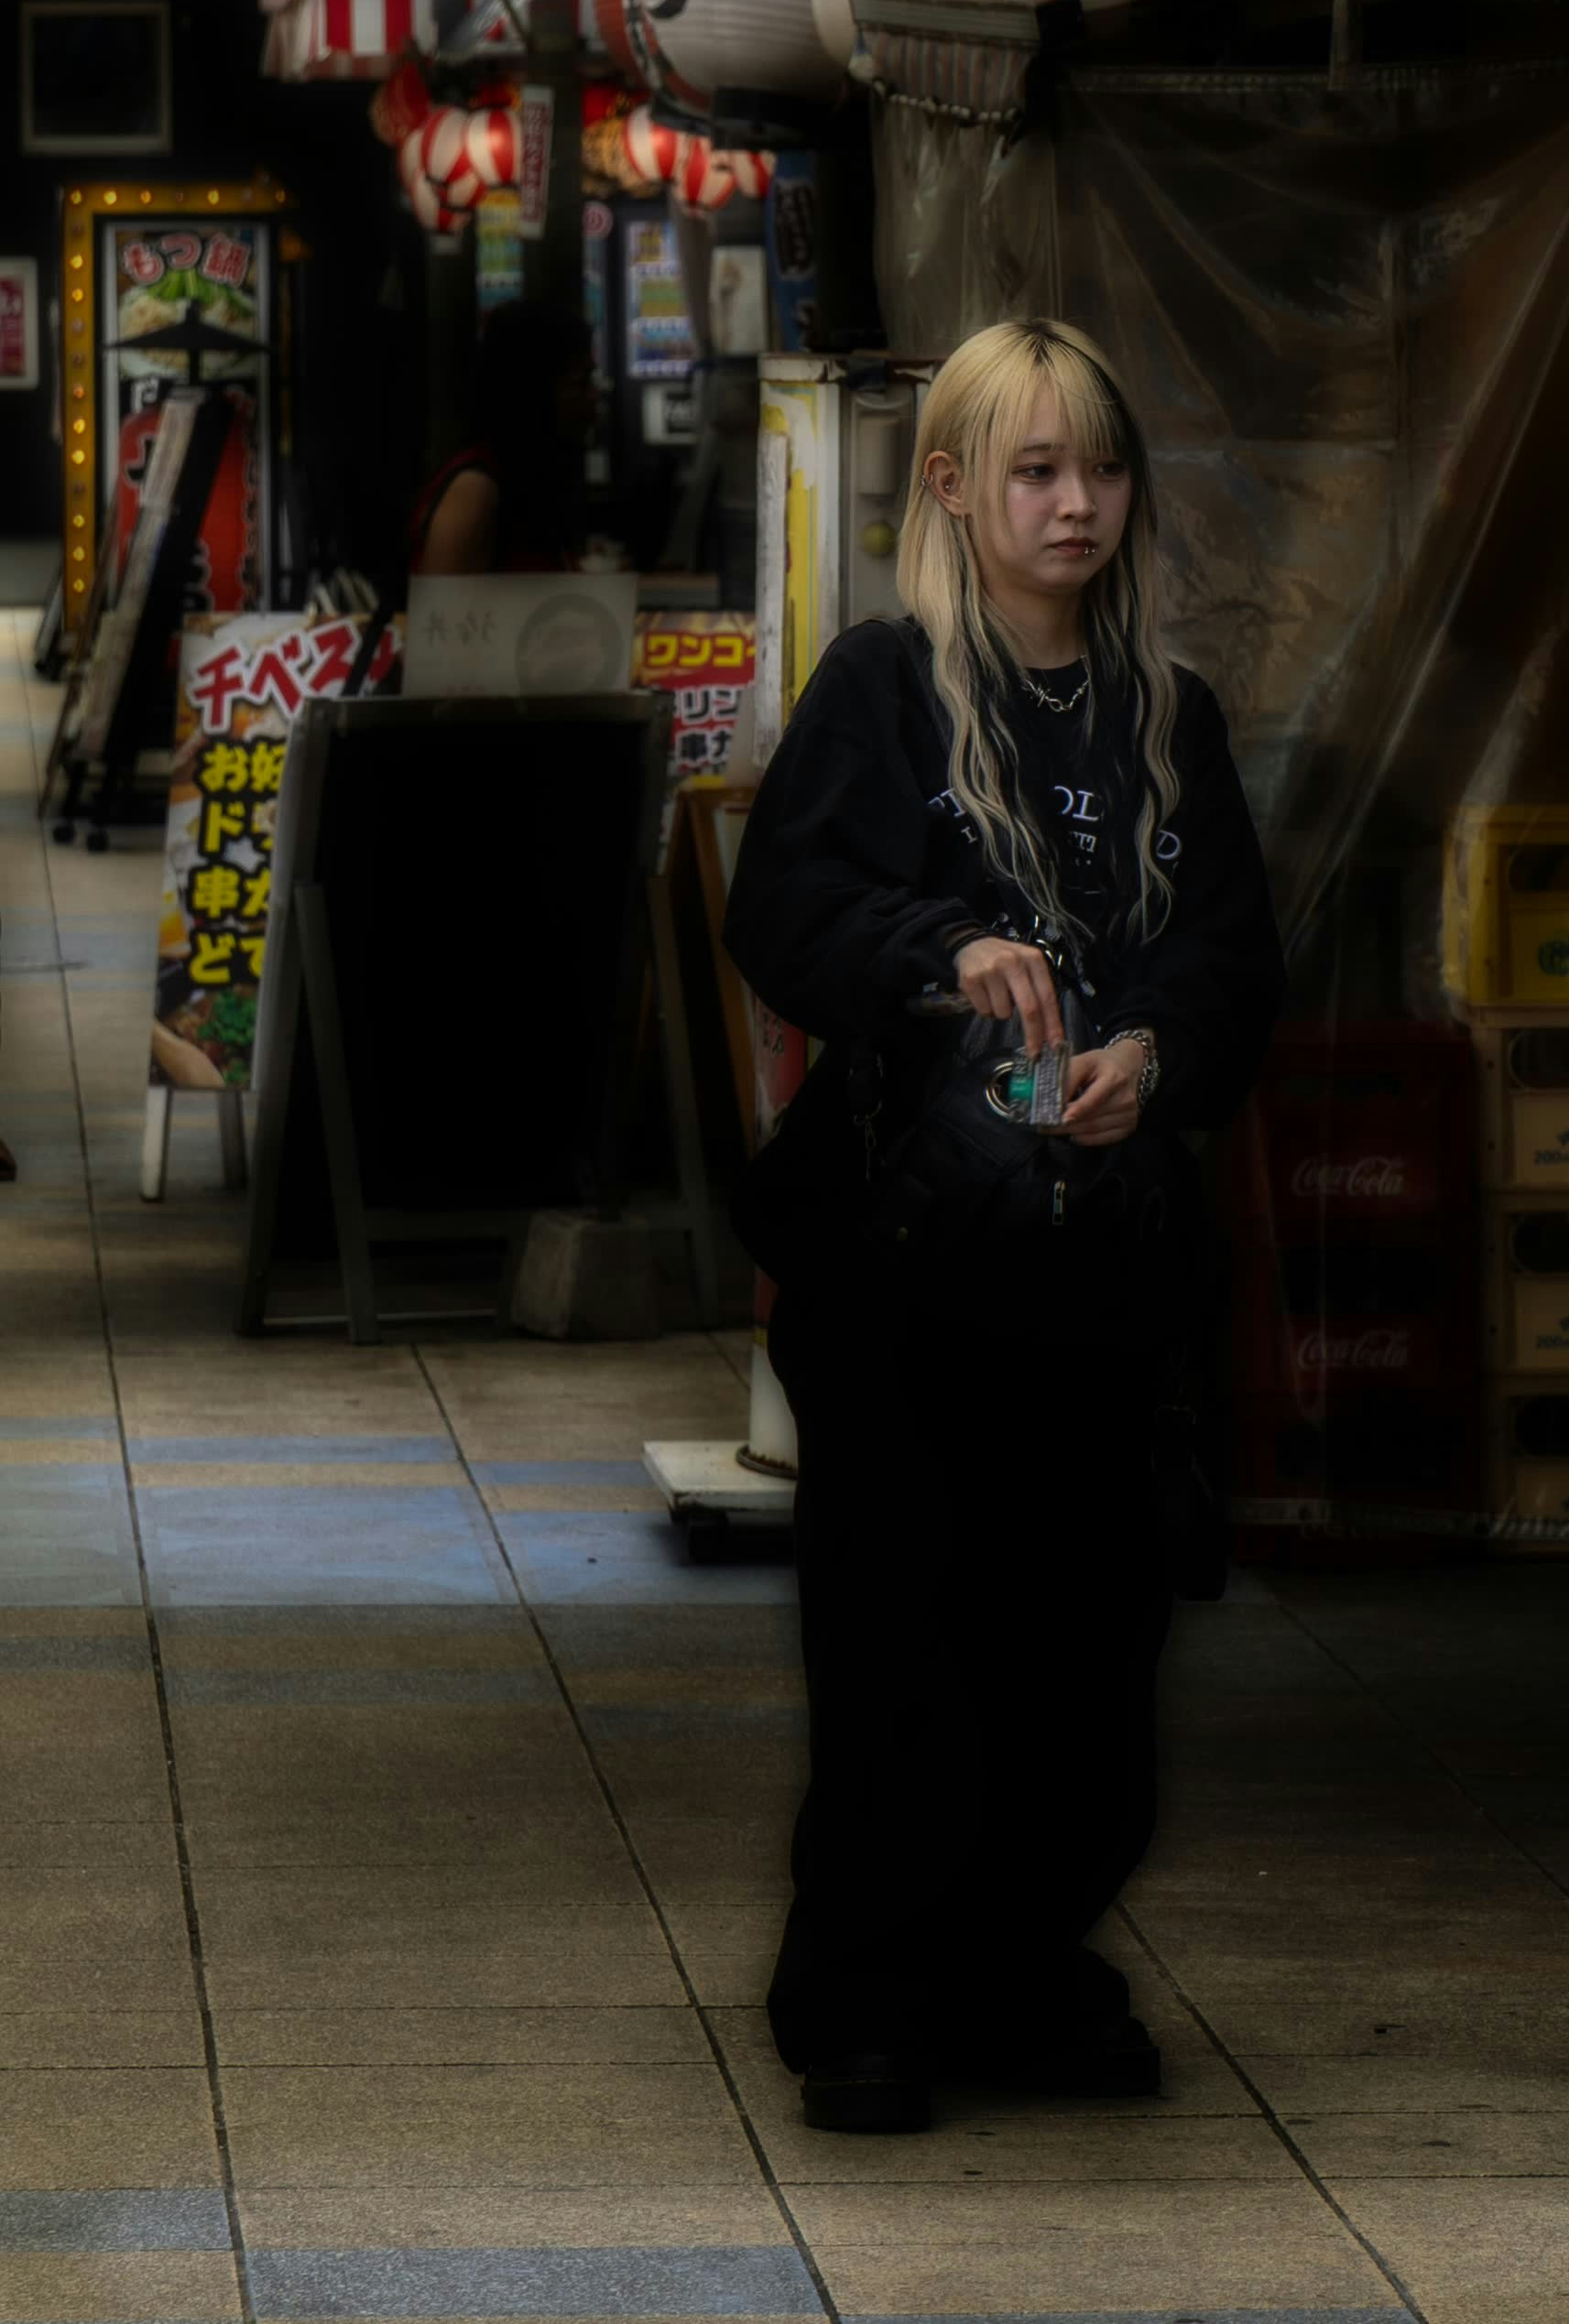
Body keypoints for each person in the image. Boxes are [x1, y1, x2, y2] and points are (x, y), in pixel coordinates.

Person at [721, 317, 1282, 2135]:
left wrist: (1152, 1049)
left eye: (1100, 469)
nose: (1074, 505)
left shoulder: (1167, 720)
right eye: (1034, 469)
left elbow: (1233, 960)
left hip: (1103, 1254)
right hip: (903, 1253)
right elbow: (780, 904)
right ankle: (866, 1990)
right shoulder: (881, 690)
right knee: (904, 1626)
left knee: (1087, 1635)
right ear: (952, 482)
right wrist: (935, 950)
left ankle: (1025, 1964)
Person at [410, 300, 597, 573]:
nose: (594, 396)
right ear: (532, 390)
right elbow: (443, 613)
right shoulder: (475, 490)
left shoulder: (527, 479)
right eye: (580, 383)